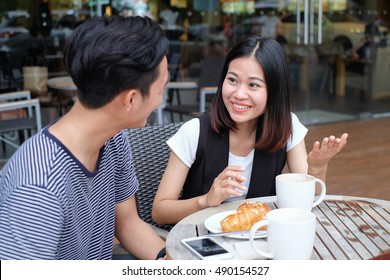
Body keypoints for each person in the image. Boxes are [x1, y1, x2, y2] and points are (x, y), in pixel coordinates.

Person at [0, 15, 169, 260]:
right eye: (161, 89)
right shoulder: (38, 188)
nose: (161, 100)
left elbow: (127, 223)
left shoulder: (113, 138)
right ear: (131, 99)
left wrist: (168, 262)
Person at [152, 36, 348, 225]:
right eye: (233, 80)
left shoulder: (287, 125)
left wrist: (318, 168)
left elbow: (307, 201)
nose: (239, 94)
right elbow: (160, 212)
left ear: (274, 91)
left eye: (253, 85)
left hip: (261, 238)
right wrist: (206, 200)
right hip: (202, 242)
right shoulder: (194, 131)